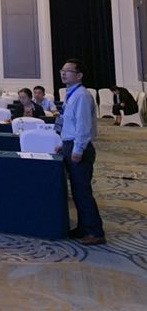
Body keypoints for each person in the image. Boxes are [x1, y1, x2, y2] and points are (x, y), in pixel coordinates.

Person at [58, 59, 105, 245]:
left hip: (80, 148)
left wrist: (77, 149)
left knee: (83, 191)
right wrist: (62, 144)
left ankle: (95, 231)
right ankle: (84, 227)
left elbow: (83, 126)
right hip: (69, 144)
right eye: (62, 70)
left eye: (68, 71)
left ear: (79, 75)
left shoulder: (82, 96)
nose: (63, 73)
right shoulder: (71, 94)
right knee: (77, 192)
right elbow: (69, 123)